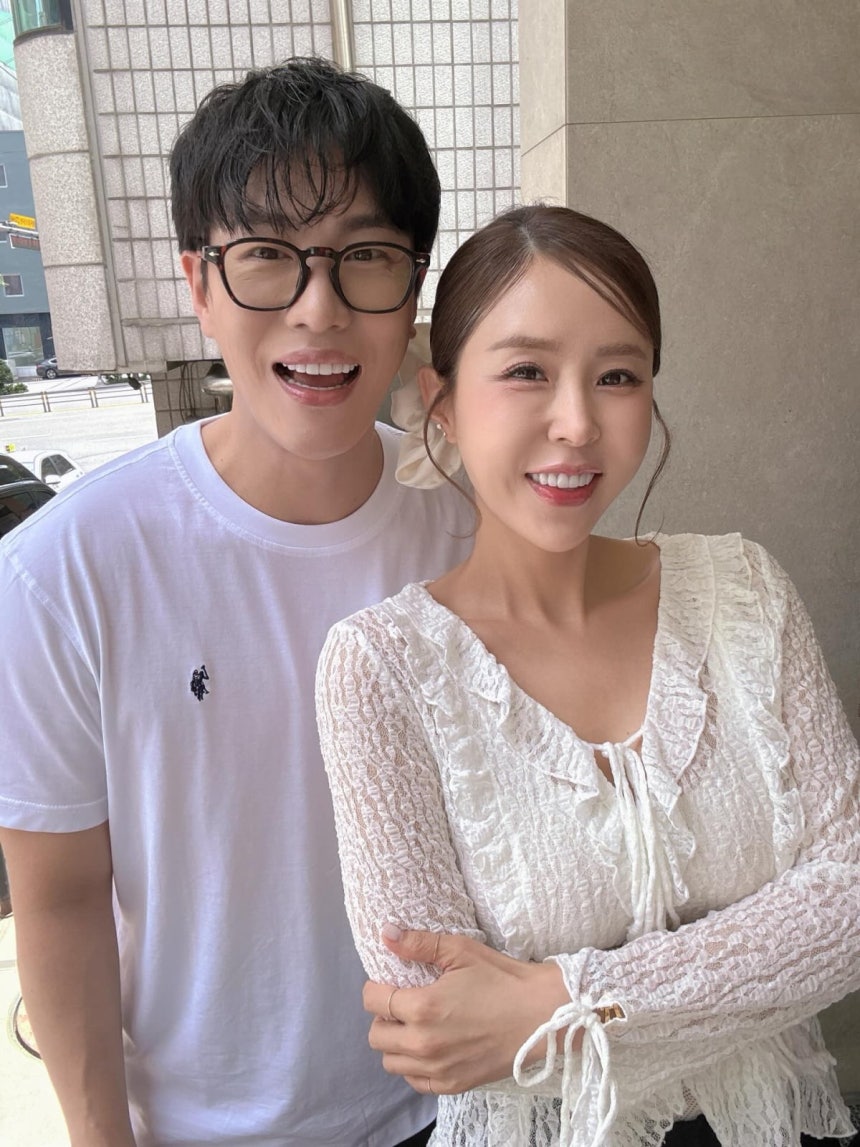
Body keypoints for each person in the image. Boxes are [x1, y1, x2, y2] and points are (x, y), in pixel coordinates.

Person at [0, 58, 474, 1147]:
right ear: (199, 282)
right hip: (198, 1127)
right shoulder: (64, 569)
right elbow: (60, 898)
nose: (318, 309)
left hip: (451, 1111)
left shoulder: (466, 525)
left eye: (364, 255)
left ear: (413, 285)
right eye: (266, 254)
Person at [315, 205, 860, 1147]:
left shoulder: (743, 591)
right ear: (441, 403)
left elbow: (850, 897)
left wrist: (573, 1002)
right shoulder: (382, 669)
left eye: (618, 376)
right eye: (526, 371)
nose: (576, 423)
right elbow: (438, 1018)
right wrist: (753, 963)